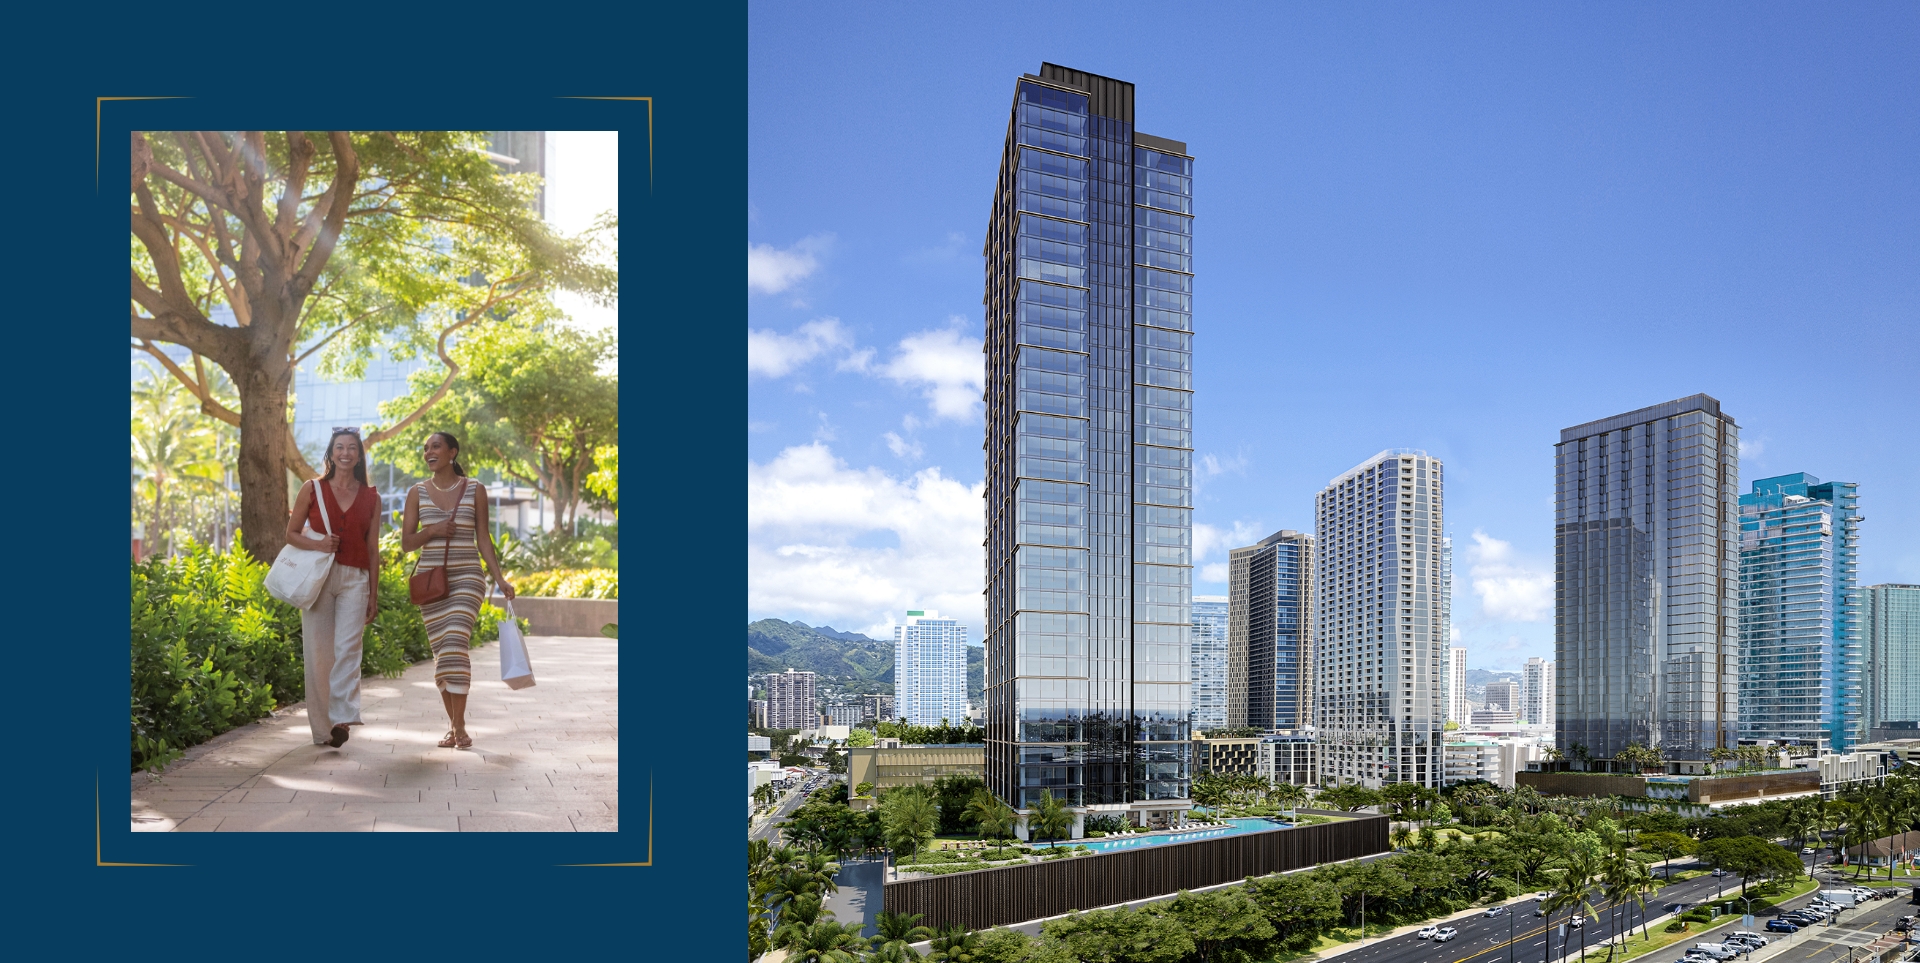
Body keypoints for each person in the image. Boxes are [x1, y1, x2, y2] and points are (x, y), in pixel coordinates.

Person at [401, 431, 514, 750]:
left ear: (452, 452)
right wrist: (434, 530)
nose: (428, 452)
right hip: (430, 582)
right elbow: (407, 543)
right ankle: (453, 727)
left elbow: (483, 539)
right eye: (425, 448)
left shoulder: (475, 489)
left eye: (435, 446)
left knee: (453, 643)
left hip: (467, 577)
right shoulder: (417, 492)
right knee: (442, 655)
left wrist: (500, 579)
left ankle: (460, 726)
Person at [284, 427, 382, 749]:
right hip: (319, 579)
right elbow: (291, 534)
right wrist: (320, 545)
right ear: (331, 452)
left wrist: (374, 593)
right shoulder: (311, 489)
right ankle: (322, 730)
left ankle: (341, 718)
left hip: (356, 579)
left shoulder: (372, 497)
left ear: (358, 454)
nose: (345, 453)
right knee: (318, 654)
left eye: (352, 448)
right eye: (339, 447)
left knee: (349, 648)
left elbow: (372, 549)